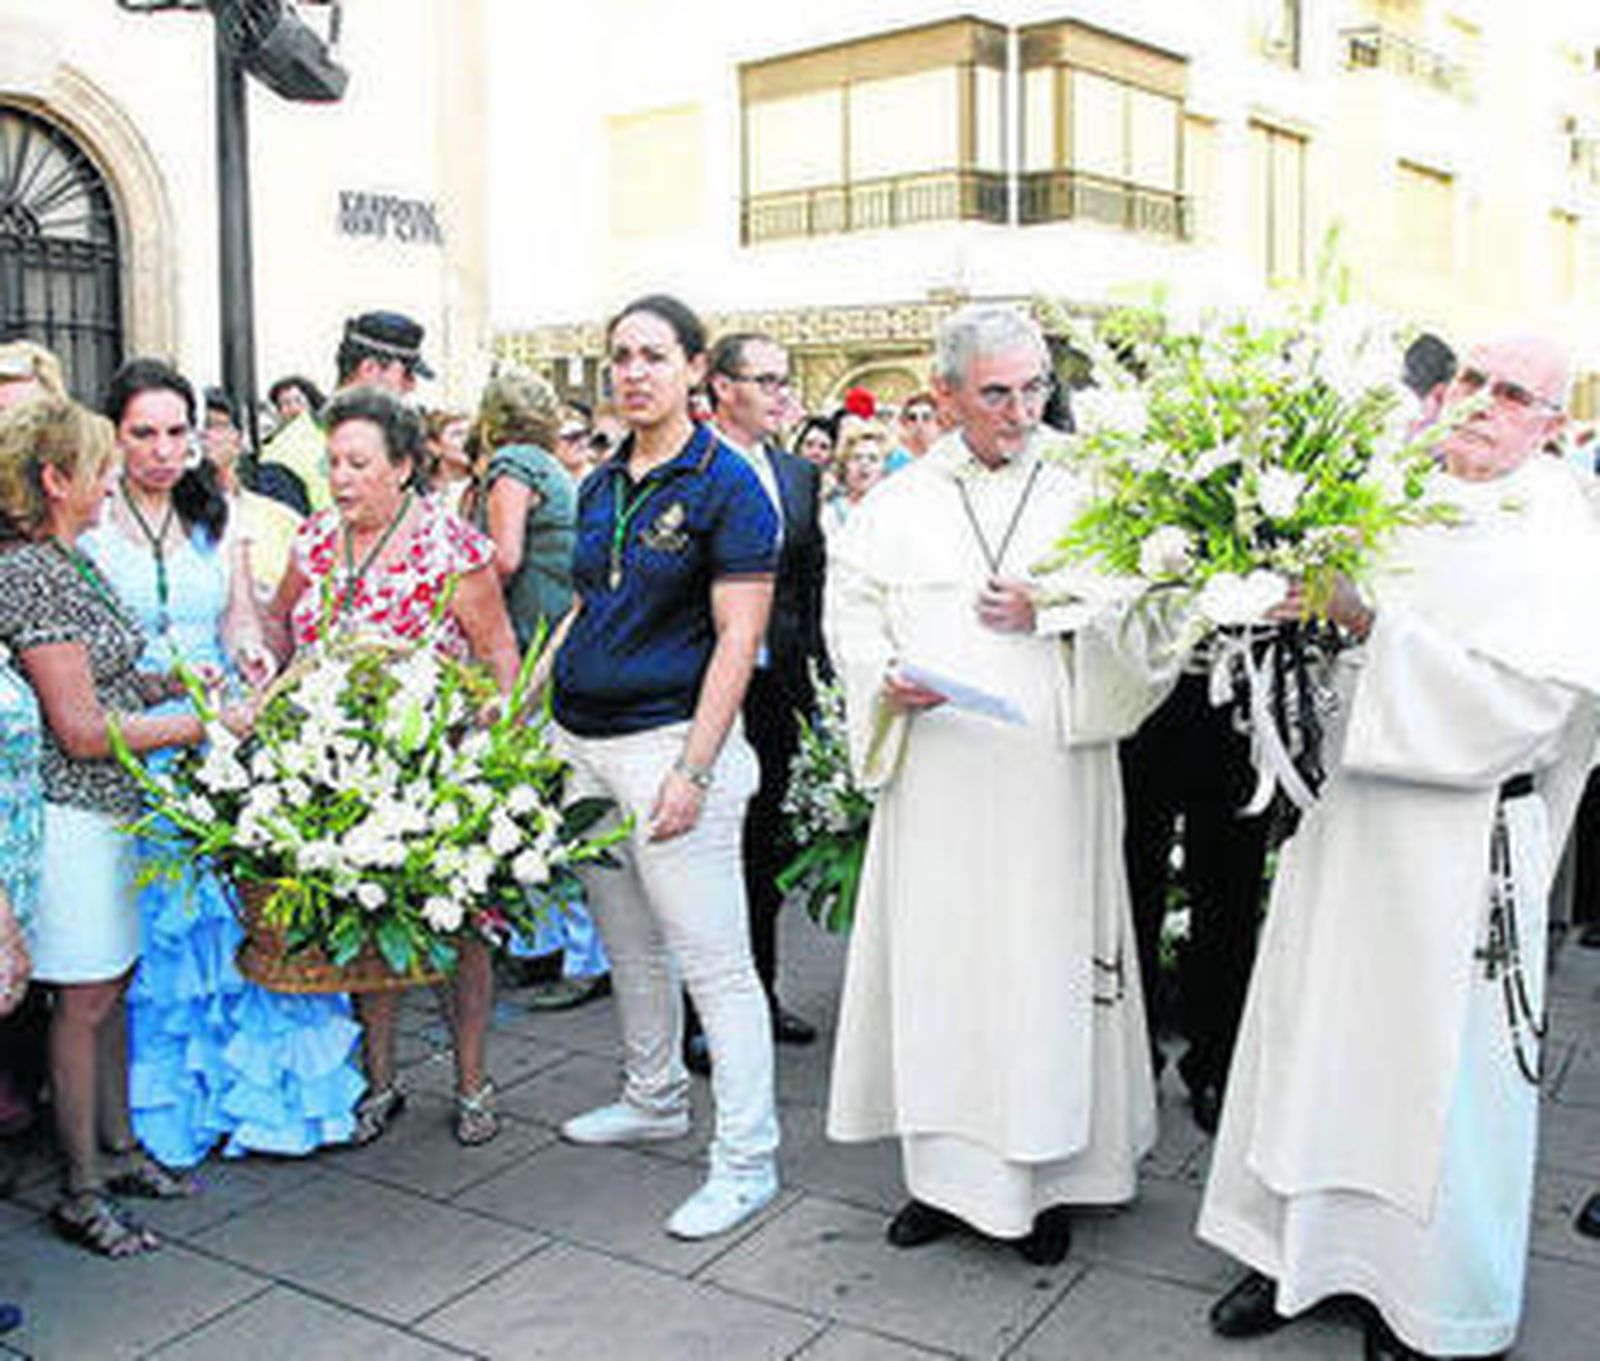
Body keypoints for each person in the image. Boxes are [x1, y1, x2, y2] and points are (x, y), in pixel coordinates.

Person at [1200, 335, 1600, 1359]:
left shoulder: (1560, 531)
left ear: (1551, 422)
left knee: (1437, 1080)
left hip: (1459, 842)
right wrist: (1284, 624)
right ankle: (1292, 1257)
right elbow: (1318, 646)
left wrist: (1368, 622)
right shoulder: (1383, 491)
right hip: (1347, 826)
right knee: (1314, 1042)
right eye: (1469, 378)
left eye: (1512, 393)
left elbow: (1532, 703)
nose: (1479, 403)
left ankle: (1417, 1297)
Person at [824, 305, 1158, 1264]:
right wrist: (883, 677)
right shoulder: (894, 500)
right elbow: (852, 614)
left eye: (1036, 389)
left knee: (1039, 972)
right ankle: (944, 1179)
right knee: (944, 976)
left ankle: (1048, 1177)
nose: (1022, 413)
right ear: (945, 395)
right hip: (937, 778)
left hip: (1051, 780)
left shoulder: (1095, 487)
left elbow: (1152, 616)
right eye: (998, 392)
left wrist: (1058, 605)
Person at [86, 359, 364, 1168]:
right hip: (137, 734)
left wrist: (249, 657)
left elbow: (244, 617)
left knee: (241, 910)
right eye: (145, 432)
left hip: (226, 735)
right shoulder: (92, 526)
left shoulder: (221, 513)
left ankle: (258, 1105)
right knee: (163, 927)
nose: (166, 449)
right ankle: (168, 1110)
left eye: (180, 431)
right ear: (115, 434)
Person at [550, 294, 781, 1240]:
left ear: (695, 369)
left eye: (653, 354)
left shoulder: (728, 483)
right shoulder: (602, 482)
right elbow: (585, 610)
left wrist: (694, 766)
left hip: (670, 745)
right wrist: (528, 709)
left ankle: (747, 1158)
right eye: (620, 356)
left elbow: (741, 635)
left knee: (716, 964)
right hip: (585, 744)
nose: (633, 370)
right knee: (628, 943)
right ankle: (653, 1097)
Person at [0, 397, 255, 1255]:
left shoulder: (71, 561)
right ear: (54, 479)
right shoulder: (30, 570)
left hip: (113, 809)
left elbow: (113, 677)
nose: (115, 479)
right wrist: (203, 723)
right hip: (73, 814)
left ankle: (116, 1149)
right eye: (101, 465)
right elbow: (76, 726)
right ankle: (80, 1186)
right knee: (84, 1000)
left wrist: (179, 685)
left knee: (112, 991)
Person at [262, 385, 520, 1147]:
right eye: (333, 461)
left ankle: (472, 1080)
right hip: (336, 767)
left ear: (404, 466)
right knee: (364, 921)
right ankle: (380, 1081)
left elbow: (497, 646)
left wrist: (492, 733)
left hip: (432, 766)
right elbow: (282, 620)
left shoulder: (452, 547)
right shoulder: (315, 540)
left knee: (462, 929)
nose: (341, 478)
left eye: (359, 463)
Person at [680, 330, 825, 1074]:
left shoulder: (799, 475)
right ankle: (700, 1017)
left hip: (777, 689)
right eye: (764, 380)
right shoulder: (689, 471)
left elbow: (810, 587)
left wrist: (820, 687)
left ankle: (761, 994)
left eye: (783, 379)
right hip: (704, 691)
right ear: (722, 389)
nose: (780, 393)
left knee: (767, 852)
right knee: (706, 857)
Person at [470, 366, 609, 1010]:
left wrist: (446, 591)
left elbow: (503, 557)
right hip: (560, 639)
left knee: (541, 796)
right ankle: (548, 945)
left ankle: (573, 952)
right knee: (549, 794)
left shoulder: (514, 464)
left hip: (532, 649)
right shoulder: (549, 462)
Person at [259, 311, 434, 514]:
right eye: (407, 375)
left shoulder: (399, 442)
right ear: (370, 369)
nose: (411, 387)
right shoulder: (289, 453)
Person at [202, 385, 303, 600]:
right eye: (191, 427)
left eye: (214, 425)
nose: (203, 436)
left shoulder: (281, 521)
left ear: (238, 439)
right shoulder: (165, 523)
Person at [820, 420, 887, 541]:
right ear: (844, 466)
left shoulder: (893, 510)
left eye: (873, 459)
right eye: (857, 458)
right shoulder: (831, 514)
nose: (864, 464)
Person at [424, 407, 474, 517]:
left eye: (470, 434)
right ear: (434, 446)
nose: (466, 441)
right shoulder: (421, 493)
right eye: (457, 434)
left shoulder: (478, 491)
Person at [883, 389, 939, 474]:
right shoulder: (895, 463)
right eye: (913, 418)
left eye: (926, 417)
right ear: (905, 423)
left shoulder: (946, 454)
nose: (919, 423)